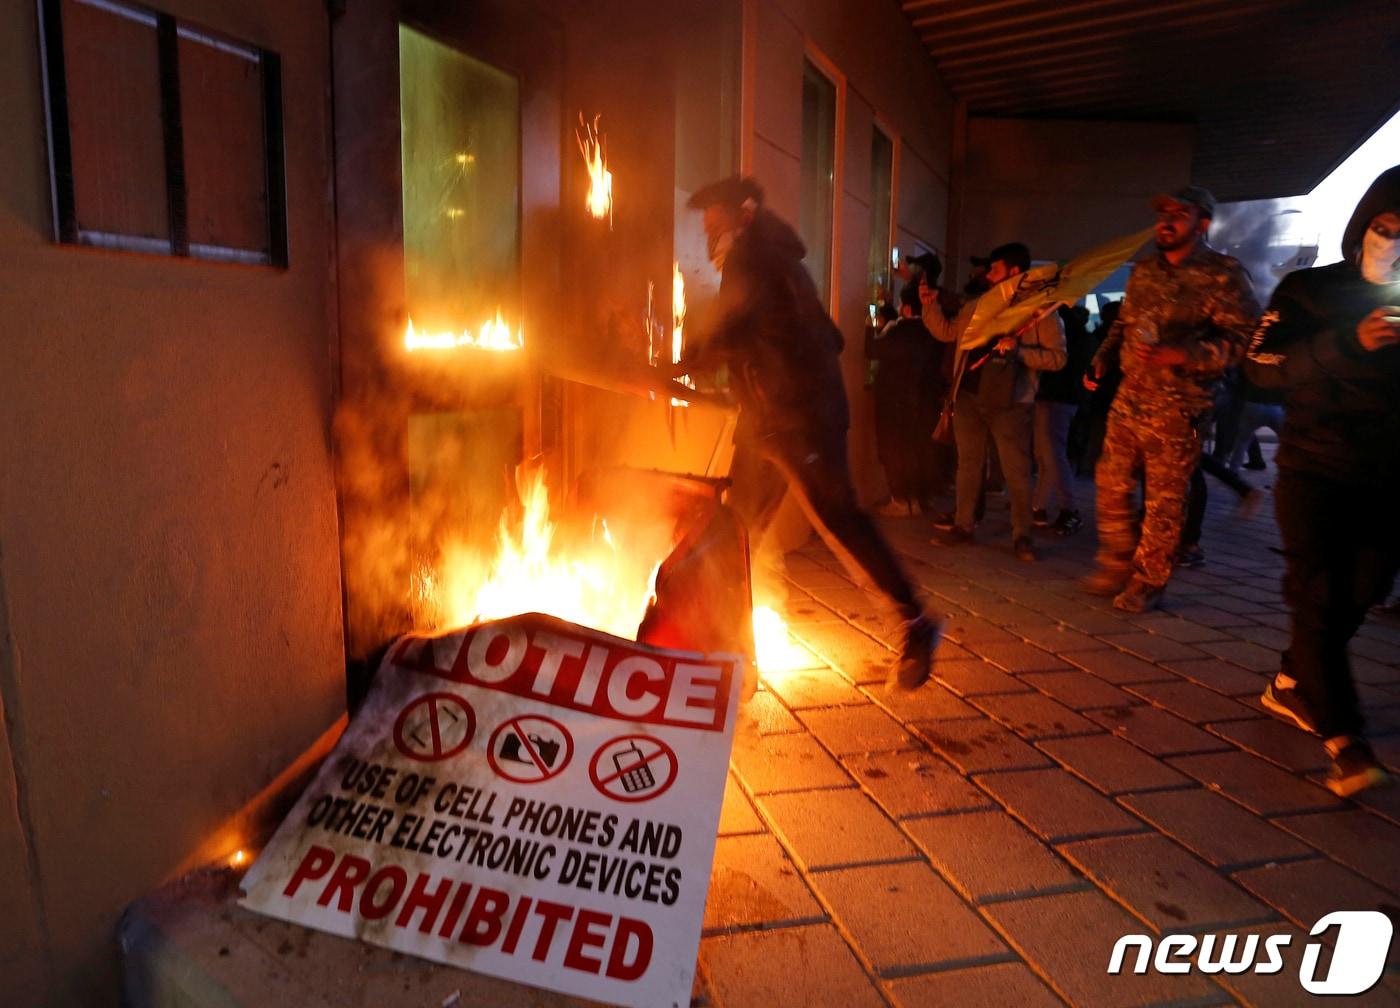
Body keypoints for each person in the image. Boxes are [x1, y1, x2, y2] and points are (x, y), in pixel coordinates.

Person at [682, 175, 941, 691]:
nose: (710, 235)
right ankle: (732, 655)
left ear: (745, 214)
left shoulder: (753, 258)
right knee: (736, 533)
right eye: (706, 226)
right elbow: (813, 333)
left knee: (837, 517)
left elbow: (734, 326)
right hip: (769, 419)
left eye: (717, 222)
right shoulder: (777, 258)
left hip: (799, 418)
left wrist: (690, 357)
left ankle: (916, 623)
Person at [1244, 165, 1400, 797]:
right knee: (1319, 593)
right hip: (1314, 470)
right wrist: (1348, 343)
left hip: (1387, 478)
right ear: (1364, 226)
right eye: (1385, 227)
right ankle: (1345, 741)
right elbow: (1260, 369)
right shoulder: (1309, 291)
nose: (1392, 242)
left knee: (1361, 592)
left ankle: (1290, 681)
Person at [1083, 186, 1258, 612]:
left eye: (1180, 213)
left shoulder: (1223, 274)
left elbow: (1246, 339)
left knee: (1164, 497)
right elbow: (1124, 323)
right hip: (1131, 397)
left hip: (1183, 406)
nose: (1167, 219)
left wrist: (1184, 354)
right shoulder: (1144, 271)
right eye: (1163, 212)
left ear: (1201, 224)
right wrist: (1102, 359)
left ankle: (1149, 579)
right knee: (1110, 481)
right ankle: (1118, 559)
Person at [919, 243, 1067, 562]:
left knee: (1015, 470)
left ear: (1014, 272)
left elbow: (1058, 359)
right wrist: (929, 307)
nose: (988, 275)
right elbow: (947, 332)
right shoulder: (978, 305)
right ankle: (964, 524)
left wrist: (1019, 352)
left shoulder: (1038, 310)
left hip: (1011, 402)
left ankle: (1022, 535)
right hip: (969, 396)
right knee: (969, 464)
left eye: (995, 270)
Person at [866, 281, 946, 516]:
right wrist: (887, 306)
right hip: (922, 402)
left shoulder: (904, 333)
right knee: (916, 450)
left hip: (895, 400)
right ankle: (917, 500)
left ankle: (901, 500)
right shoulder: (931, 332)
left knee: (893, 449)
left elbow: (873, 349)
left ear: (908, 309)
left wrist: (870, 320)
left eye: (901, 303)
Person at [1032, 304, 1092, 535]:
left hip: (1055, 399)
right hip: (1064, 399)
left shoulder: (1069, 341)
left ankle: (1069, 509)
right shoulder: (1084, 340)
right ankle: (1039, 505)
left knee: (1052, 456)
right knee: (1048, 455)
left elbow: (1059, 368)